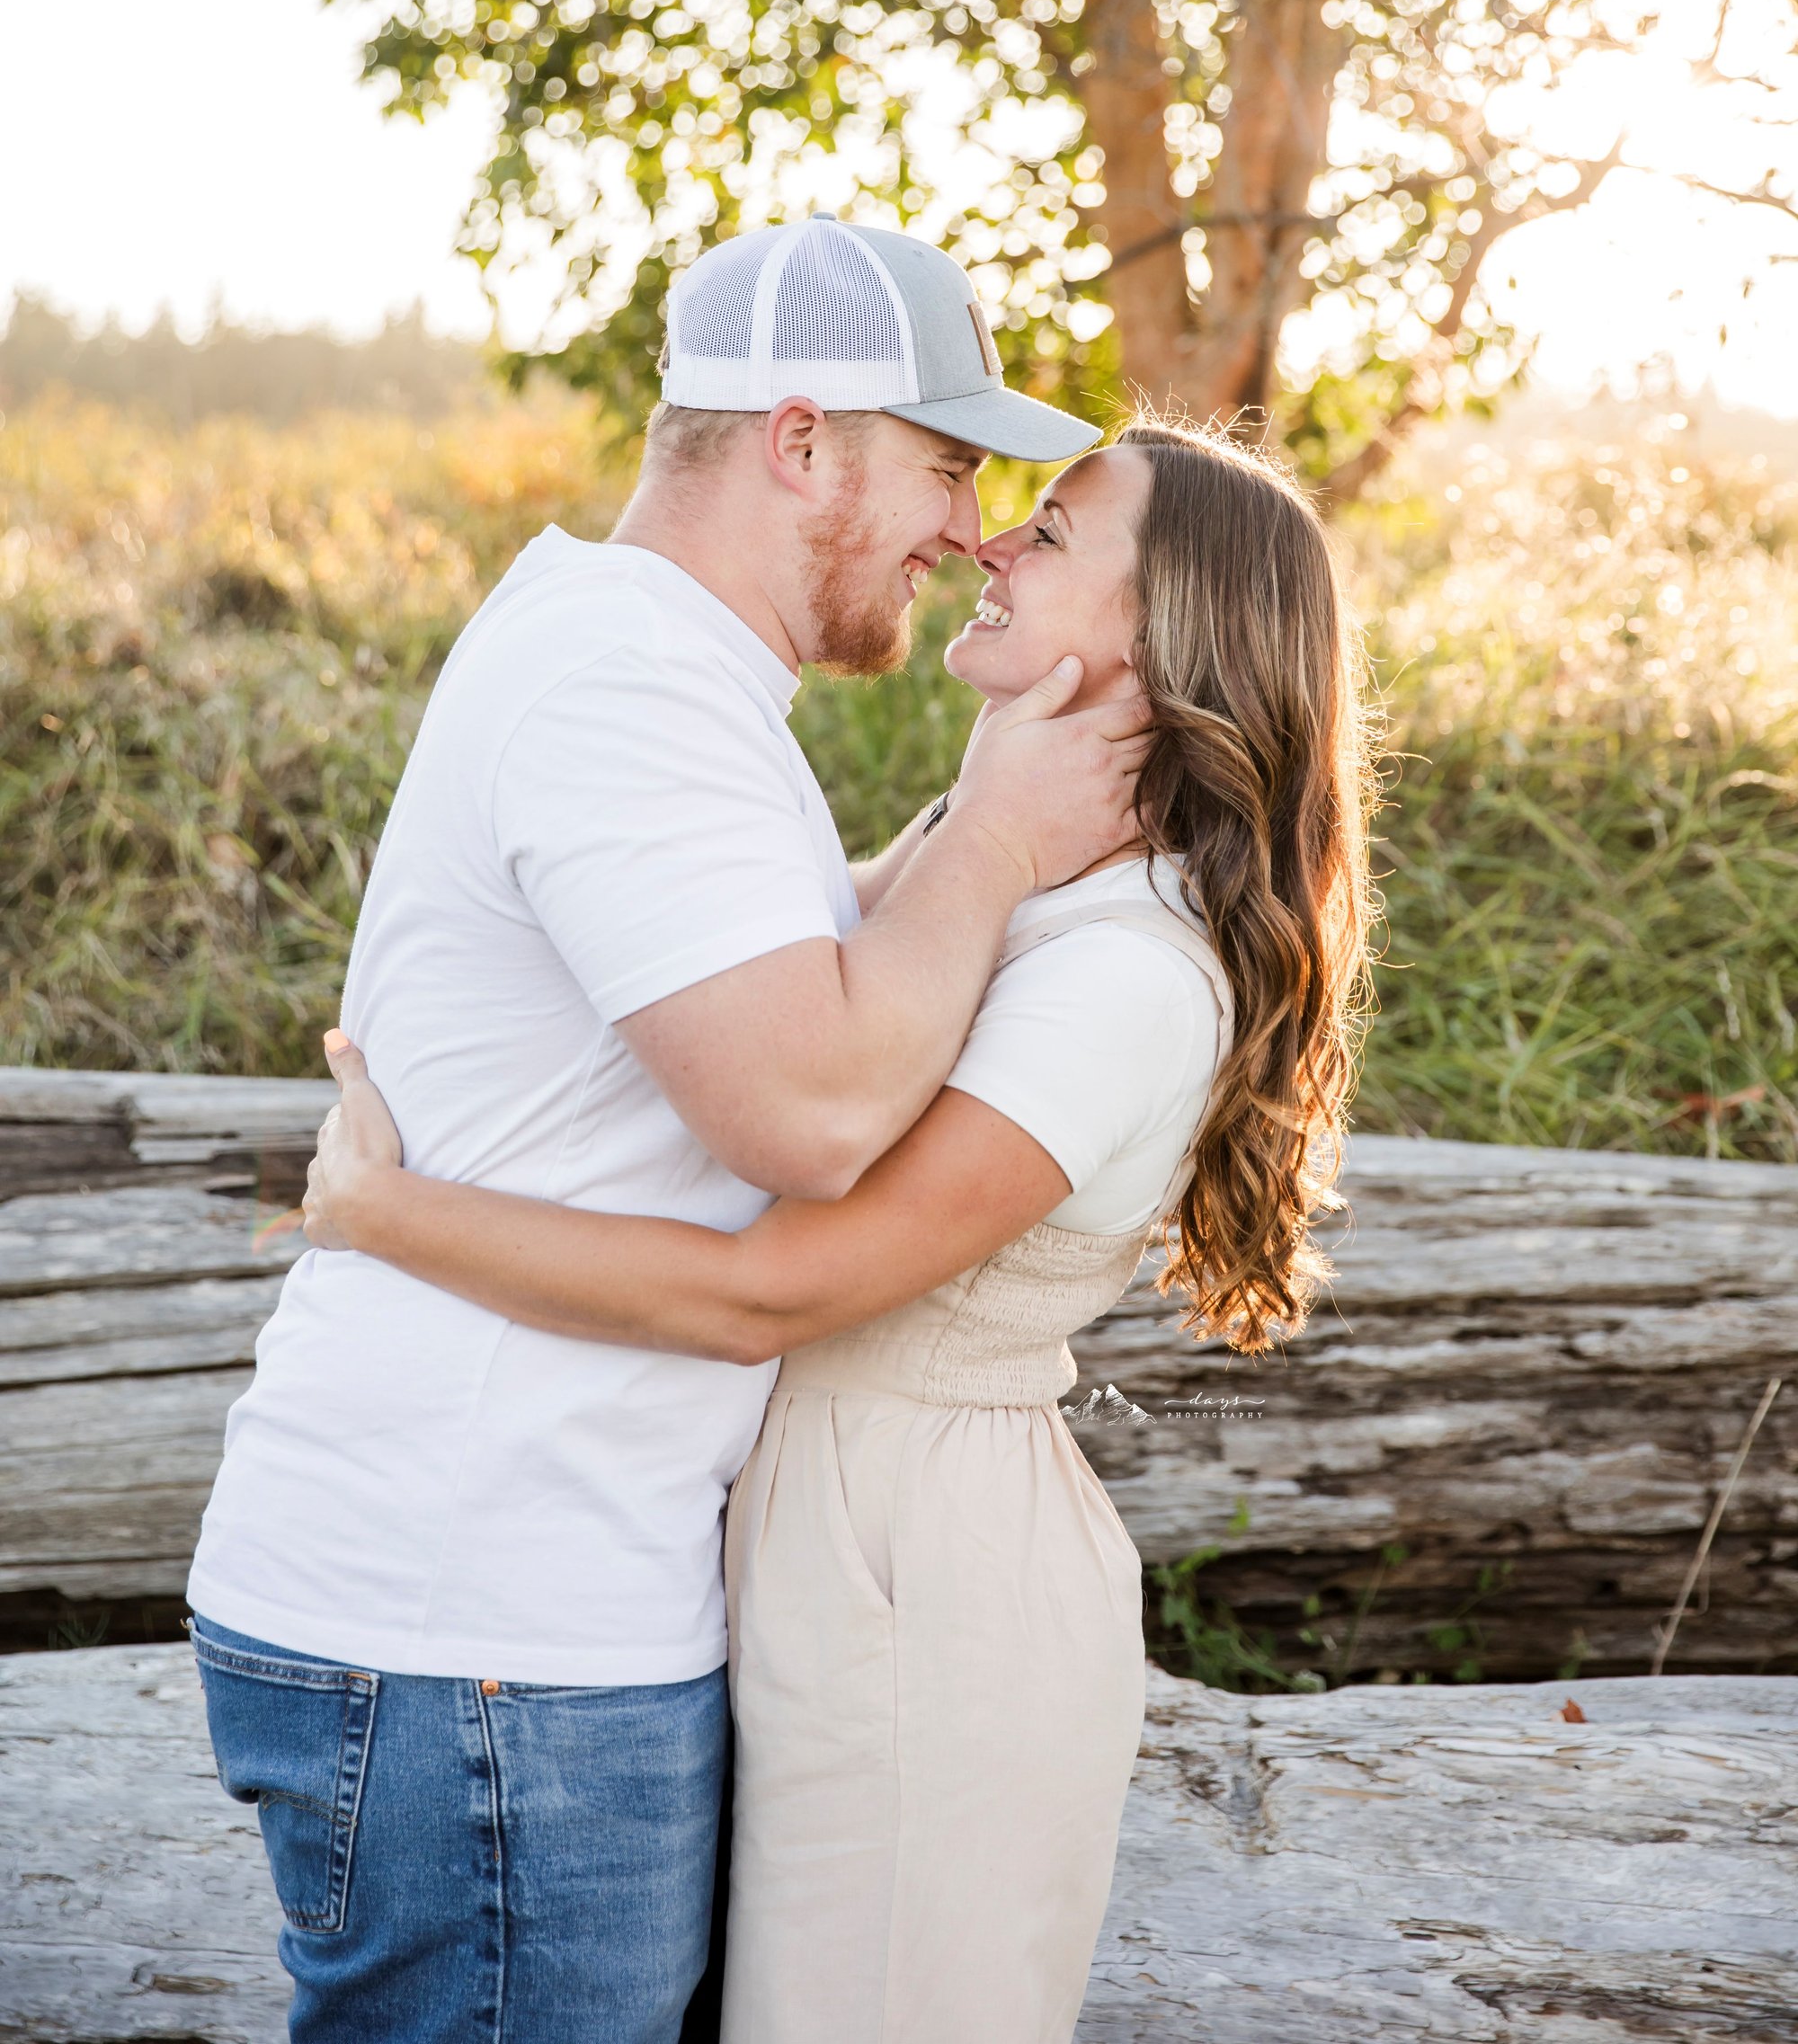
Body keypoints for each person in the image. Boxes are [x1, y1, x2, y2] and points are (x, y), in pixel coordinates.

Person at [185, 216, 1147, 2044]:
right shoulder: (626, 688)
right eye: (943, 465)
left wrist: (982, 828)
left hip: (507, 1617)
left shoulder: (645, 660)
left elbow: (790, 972)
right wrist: (1001, 837)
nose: (967, 527)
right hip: (479, 1624)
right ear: (801, 441)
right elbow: (812, 1107)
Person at [301, 413, 1374, 2044]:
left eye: (1051, 532)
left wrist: (388, 1212)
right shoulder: (1023, 876)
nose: (990, 541)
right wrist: (982, 818)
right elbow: (794, 962)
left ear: (1167, 634)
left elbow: (767, 1292)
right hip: (834, 1549)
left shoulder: (1125, 974)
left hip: (924, 1578)